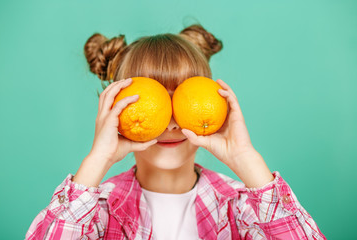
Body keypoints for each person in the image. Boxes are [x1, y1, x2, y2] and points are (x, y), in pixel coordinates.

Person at [25, 24, 326, 240]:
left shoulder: (243, 208)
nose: (170, 124)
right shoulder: (95, 211)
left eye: (182, 100)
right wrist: (96, 160)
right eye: (152, 101)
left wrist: (246, 158)